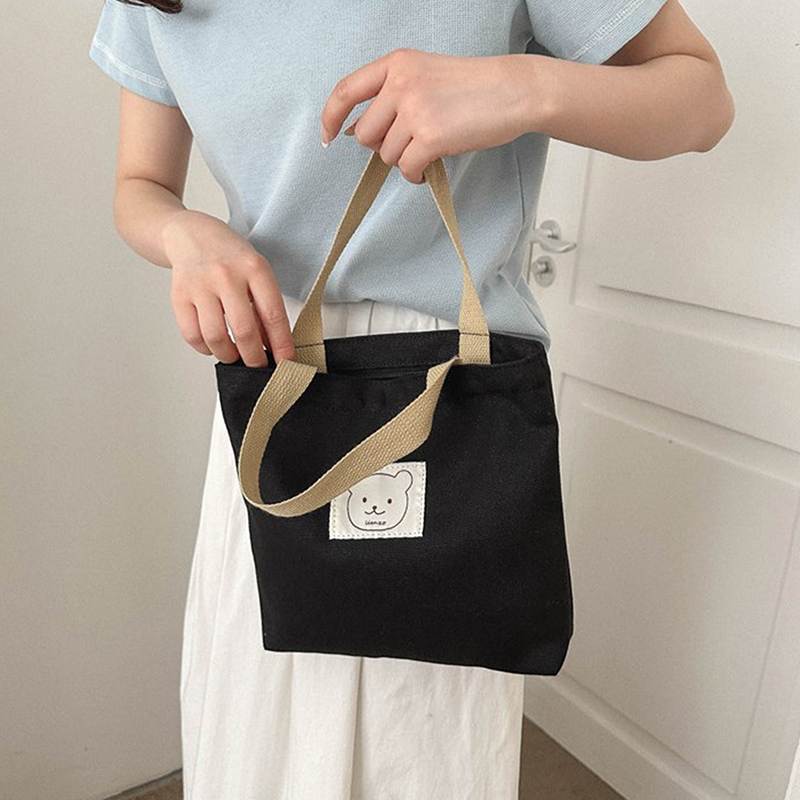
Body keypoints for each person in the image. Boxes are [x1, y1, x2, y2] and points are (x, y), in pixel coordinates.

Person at [88, 0, 733, 797]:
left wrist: (521, 88)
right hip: (276, 384)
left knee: (423, 750)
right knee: (261, 741)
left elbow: (703, 99)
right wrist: (186, 237)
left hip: (452, 391)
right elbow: (140, 185)